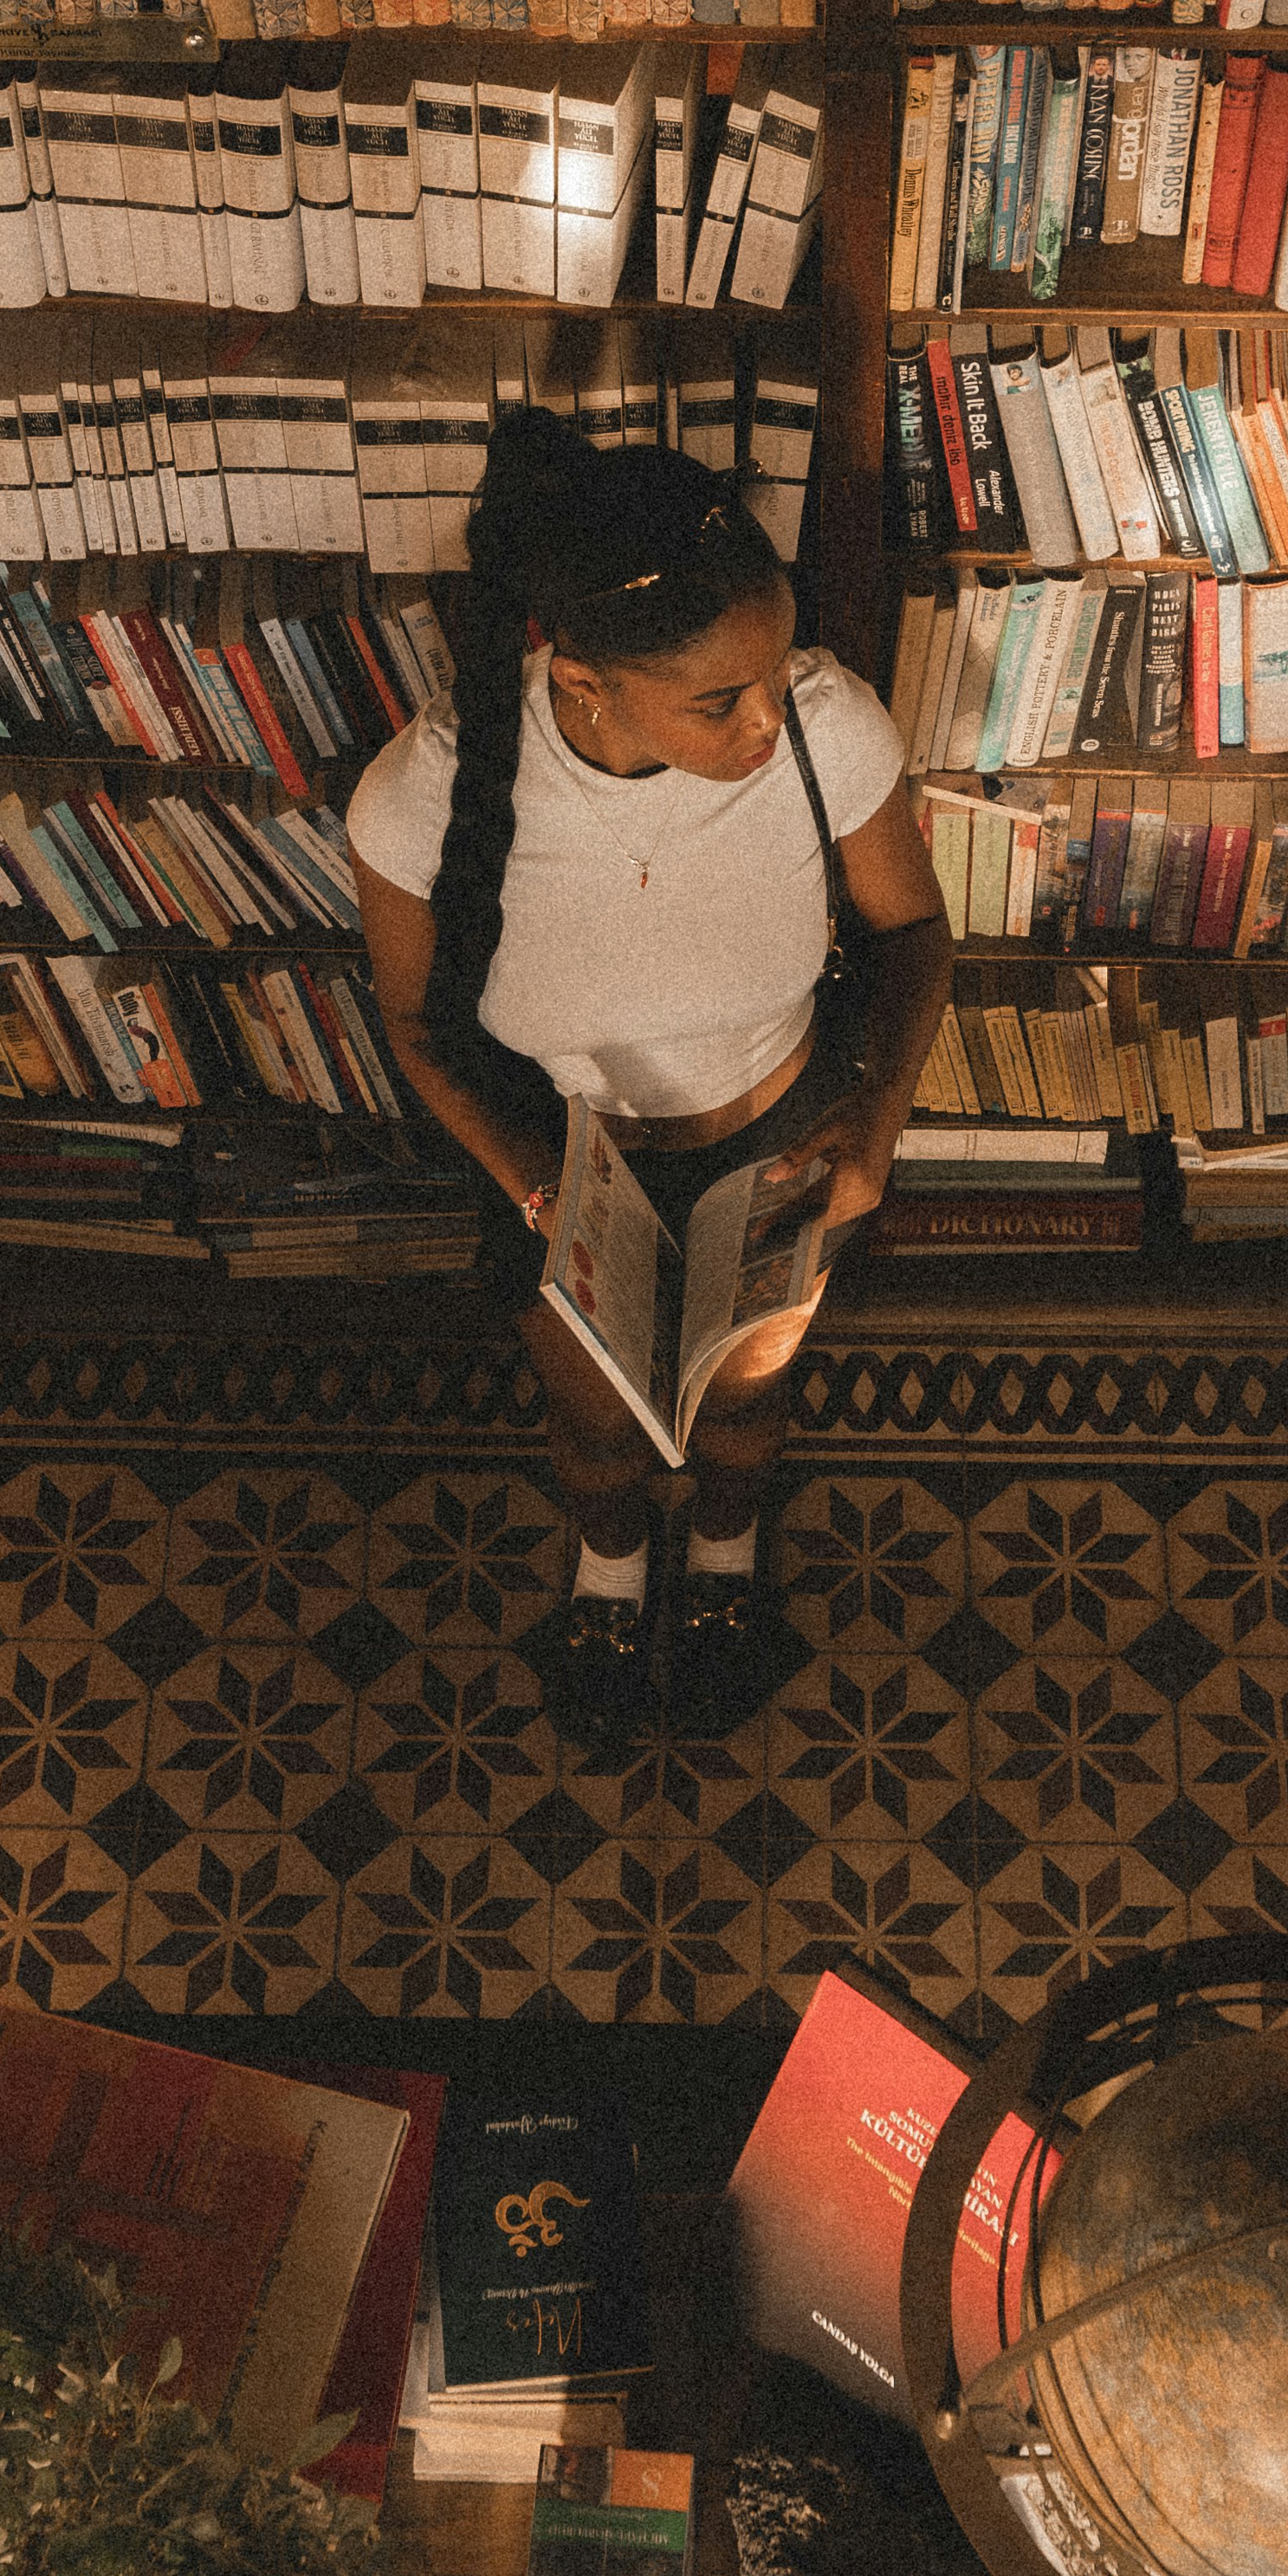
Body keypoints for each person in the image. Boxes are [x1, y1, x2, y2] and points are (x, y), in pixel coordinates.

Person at [347, 411, 949, 1748]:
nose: (764, 721)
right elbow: (417, 1026)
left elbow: (913, 933)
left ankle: (726, 1559)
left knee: (746, 1398)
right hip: (560, 1158)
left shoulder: (825, 733)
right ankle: (612, 1571)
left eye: (772, 674)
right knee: (595, 1419)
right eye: (717, 699)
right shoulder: (426, 796)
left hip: (778, 1131)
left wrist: (875, 1130)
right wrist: (535, 1187)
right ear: (584, 685)